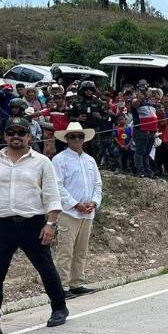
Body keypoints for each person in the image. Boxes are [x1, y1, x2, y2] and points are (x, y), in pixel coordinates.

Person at [0, 117, 68, 334]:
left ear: (29, 136)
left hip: (32, 223)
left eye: (21, 133)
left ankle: (59, 308)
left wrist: (50, 224)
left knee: (45, 268)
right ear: (5, 136)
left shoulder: (42, 162)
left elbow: (52, 196)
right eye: (11, 133)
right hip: (1, 225)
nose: (16, 137)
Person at [52, 125, 103, 296]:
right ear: (66, 139)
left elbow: (97, 184)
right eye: (72, 136)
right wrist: (75, 204)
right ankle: (62, 286)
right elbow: (57, 186)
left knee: (81, 250)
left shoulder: (90, 160)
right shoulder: (59, 160)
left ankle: (77, 282)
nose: (76, 139)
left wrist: (94, 202)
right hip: (69, 213)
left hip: (87, 212)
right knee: (65, 250)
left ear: (84, 138)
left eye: (79, 136)